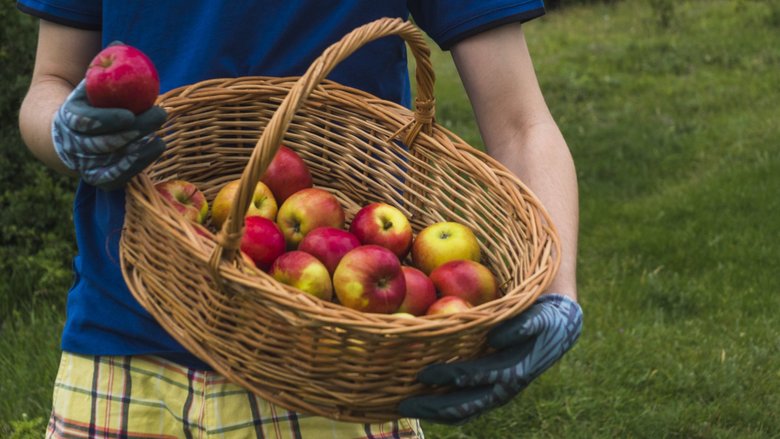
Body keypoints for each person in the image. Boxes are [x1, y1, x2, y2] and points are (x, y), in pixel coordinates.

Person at [17, 1, 583, 437]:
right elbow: (51, 85)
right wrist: (66, 133)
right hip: (121, 340)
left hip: (331, 361)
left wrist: (557, 295)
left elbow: (520, 122)